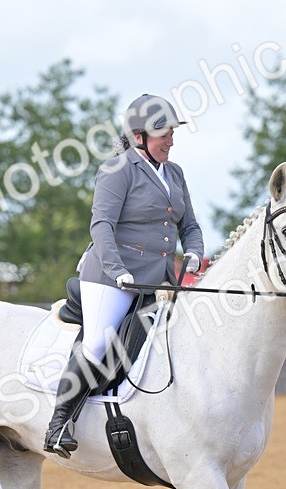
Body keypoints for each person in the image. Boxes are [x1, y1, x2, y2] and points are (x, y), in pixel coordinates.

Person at [43, 94, 205, 458]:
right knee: (98, 343)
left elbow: (189, 224)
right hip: (109, 276)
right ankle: (59, 423)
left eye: (172, 133)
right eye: (164, 133)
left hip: (159, 280)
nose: (171, 141)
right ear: (138, 136)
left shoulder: (175, 173)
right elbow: (101, 226)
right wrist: (118, 272)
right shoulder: (117, 170)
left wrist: (193, 251)